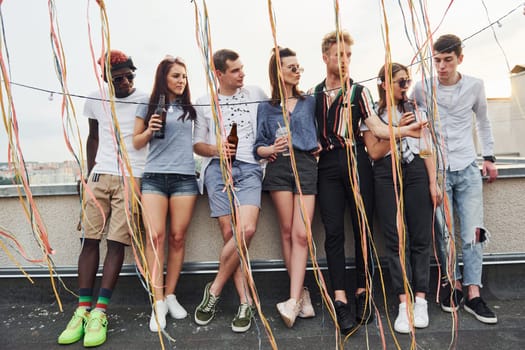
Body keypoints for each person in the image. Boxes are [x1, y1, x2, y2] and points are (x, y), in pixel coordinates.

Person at [312, 30, 423, 334]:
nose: (345, 60)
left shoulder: (359, 92)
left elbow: (376, 127)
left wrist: (403, 131)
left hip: (357, 160)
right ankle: (340, 299)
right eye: (339, 55)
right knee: (333, 232)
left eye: (348, 55)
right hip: (328, 167)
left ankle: (364, 292)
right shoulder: (314, 93)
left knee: (363, 229)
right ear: (325, 58)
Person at [57, 50, 147, 347]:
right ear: (108, 79)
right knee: (90, 239)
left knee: (117, 242)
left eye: (130, 76)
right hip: (100, 175)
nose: (125, 82)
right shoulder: (95, 99)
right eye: (118, 78)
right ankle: (82, 309)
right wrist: (88, 172)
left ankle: (100, 312)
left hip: (131, 177)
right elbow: (92, 136)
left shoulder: (145, 99)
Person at [412, 34, 499, 324]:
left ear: (460, 58)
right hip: (438, 170)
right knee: (444, 233)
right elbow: (412, 123)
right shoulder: (422, 87)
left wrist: (489, 157)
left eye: (448, 60)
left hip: (468, 167)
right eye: (437, 60)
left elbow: (484, 122)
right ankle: (454, 285)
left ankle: (474, 292)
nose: (442, 66)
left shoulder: (475, 85)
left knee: (473, 231)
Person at [192, 49, 267, 333]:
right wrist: (216, 149)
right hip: (217, 169)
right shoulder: (203, 102)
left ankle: (214, 289)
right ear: (219, 74)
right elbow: (198, 145)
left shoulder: (256, 92)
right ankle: (245, 302)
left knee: (245, 231)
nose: (242, 74)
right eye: (235, 70)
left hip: (249, 168)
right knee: (229, 234)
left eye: (242, 68)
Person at [363, 63, 440, 333]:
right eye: (400, 81)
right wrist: (398, 129)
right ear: (384, 83)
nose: (406, 86)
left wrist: (433, 181)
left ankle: (421, 300)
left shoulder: (417, 108)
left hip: (417, 170)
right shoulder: (371, 112)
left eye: (408, 81)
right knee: (395, 240)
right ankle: (402, 303)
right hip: (385, 174)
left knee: (420, 237)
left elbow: (427, 147)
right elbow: (373, 152)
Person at [132, 56, 198, 332]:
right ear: (163, 78)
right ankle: (157, 300)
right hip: (155, 178)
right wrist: (149, 130)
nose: (181, 80)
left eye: (184, 76)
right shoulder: (148, 105)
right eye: (176, 76)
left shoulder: (190, 108)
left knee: (177, 237)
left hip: (184, 178)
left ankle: (170, 294)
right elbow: (136, 142)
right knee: (155, 237)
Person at [254, 47, 318, 328]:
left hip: (305, 165)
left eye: (298, 66)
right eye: (290, 66)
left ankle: (292, 301)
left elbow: (321, 133)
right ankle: (300, 294)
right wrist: (270, 148)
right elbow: (258, 145)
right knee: (287, 232)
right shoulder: (266, 107)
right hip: (279, 166)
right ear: (277, 71)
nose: (297, 70)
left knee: (303, 235)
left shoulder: (310, 101)